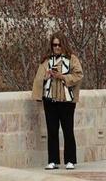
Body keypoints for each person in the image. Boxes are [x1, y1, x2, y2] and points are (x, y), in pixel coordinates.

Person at [31, 35, 84, 170]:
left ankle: (70, 160)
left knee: (68, 130)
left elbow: (78, 75)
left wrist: (62, 77)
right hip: (50, 99)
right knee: (52, 130)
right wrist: (46, 76)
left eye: (59, 45)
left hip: (66, 100)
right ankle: (53, 160)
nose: (57, 47)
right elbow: (38, 78)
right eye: (54, 45)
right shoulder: (46, 60)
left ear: (64, 45)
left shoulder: (72, 59)